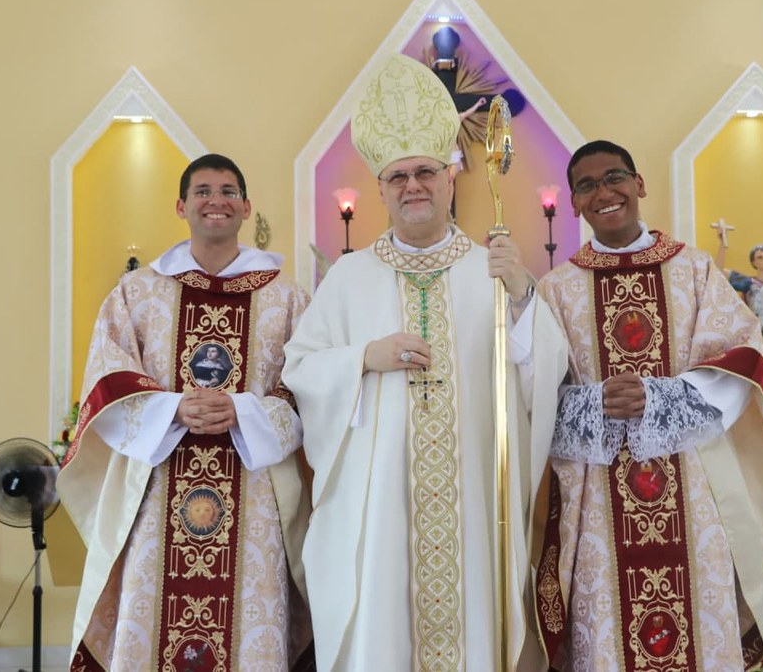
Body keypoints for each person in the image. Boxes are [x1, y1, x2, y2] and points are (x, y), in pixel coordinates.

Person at [282, 54, 568, 671]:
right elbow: (299, 369)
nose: (413, 186)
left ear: (451, 177)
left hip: (474, 497)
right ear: (382, 189)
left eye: (426, 172)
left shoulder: (492, 269)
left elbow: (543, 374)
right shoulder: (350, 277)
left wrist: (522, 295)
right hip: (378, 500)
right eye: (398, 176)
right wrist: (365, 357)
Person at [533, 140, 763, 671]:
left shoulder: (695, 270)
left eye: (615, 177)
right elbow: (533, 392)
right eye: (587, 185)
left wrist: (658, 396)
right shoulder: (556, 289)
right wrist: (594, 401)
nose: (604, 193)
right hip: (597, 501)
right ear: (574, 202)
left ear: (639, 184)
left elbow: (742, 355)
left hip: (692, 483)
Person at [57, 154, 313, 671]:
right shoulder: (137, 292)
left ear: (246, 207)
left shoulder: (286, 297)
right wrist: (175, 408)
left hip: (254, 497)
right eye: (203, 191)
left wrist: (243, 412)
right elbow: (107, 377)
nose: (216, 201)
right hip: (159, 491)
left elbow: (307, 390)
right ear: (181, 206)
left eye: (228, 191)